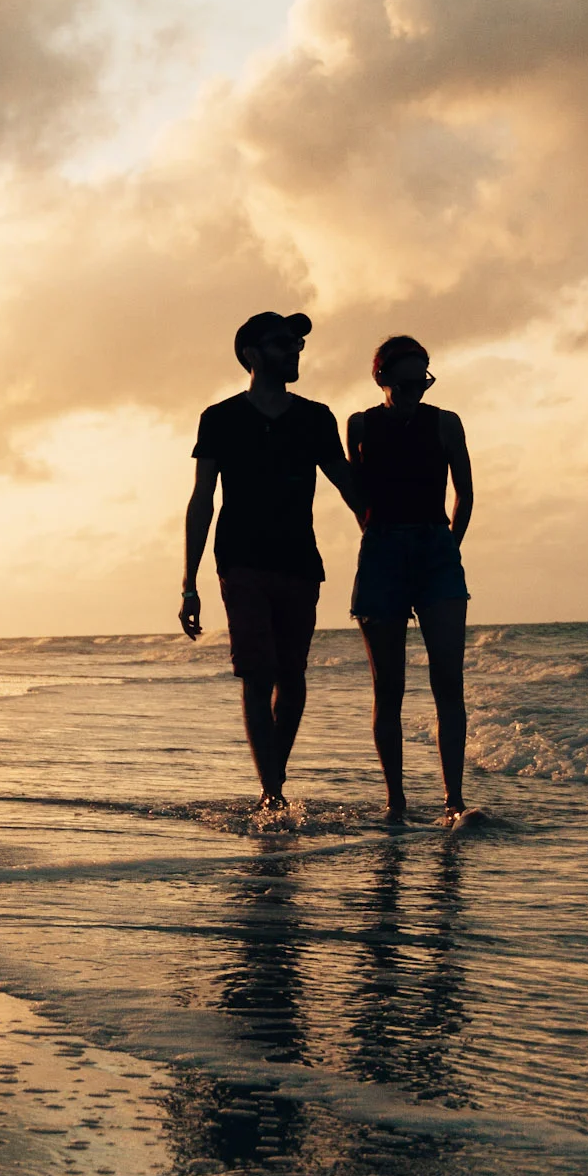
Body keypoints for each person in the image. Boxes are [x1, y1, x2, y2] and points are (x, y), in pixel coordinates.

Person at [180, 311, 362, 812]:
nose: (295, 351)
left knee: (293, 677)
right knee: (258, 676)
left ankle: (272, 780)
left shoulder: (316, 417)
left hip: (299, 560)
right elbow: (202, 500)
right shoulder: (220, 418)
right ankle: (273, 792)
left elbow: (349, 487)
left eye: (298, 344)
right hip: (241, 561)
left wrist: (383, 538)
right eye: (283, 343)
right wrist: (189, 583)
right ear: (252, 355)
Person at [346, 335, 474, 825]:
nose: (414, 391)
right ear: (381, 378)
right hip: (382, 551)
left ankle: (453, 800)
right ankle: (395, 802)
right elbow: (357, 490)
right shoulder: (360, 424)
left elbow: (464, 492)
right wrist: (373, 532)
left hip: (435, 549)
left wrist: (449, 544)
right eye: (405, 383)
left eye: (422, 381)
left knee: (448, 681)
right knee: (389, 688)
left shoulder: (445, 422)